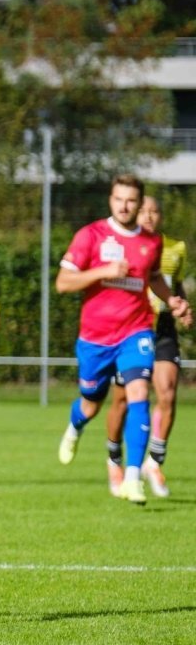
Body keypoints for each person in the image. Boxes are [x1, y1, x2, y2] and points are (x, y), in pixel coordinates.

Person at [55, 176, 189, 505]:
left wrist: (171, 299)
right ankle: (75, 427)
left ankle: (132, 477)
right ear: (111, 200)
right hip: (95, 337)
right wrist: (103, 272)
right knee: (90, 402)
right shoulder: (91, 235)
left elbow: (154, 277)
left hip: (137, 330)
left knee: (139, 393)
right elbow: (63, 282)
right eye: (119, 199)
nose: (124, 206)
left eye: (131, 201)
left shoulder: (151, 242)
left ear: (139, 203)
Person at [102, 195, 188, 498]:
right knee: (123, 402)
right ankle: (114, 457)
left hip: (162, 329)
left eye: (155, 211)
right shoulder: (120, 246)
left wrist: (181, 306)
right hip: (128, 328)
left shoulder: (175, 249)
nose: (149, 216)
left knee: (167, 392)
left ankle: (154, 461)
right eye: (144, 211)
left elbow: (174, 287)